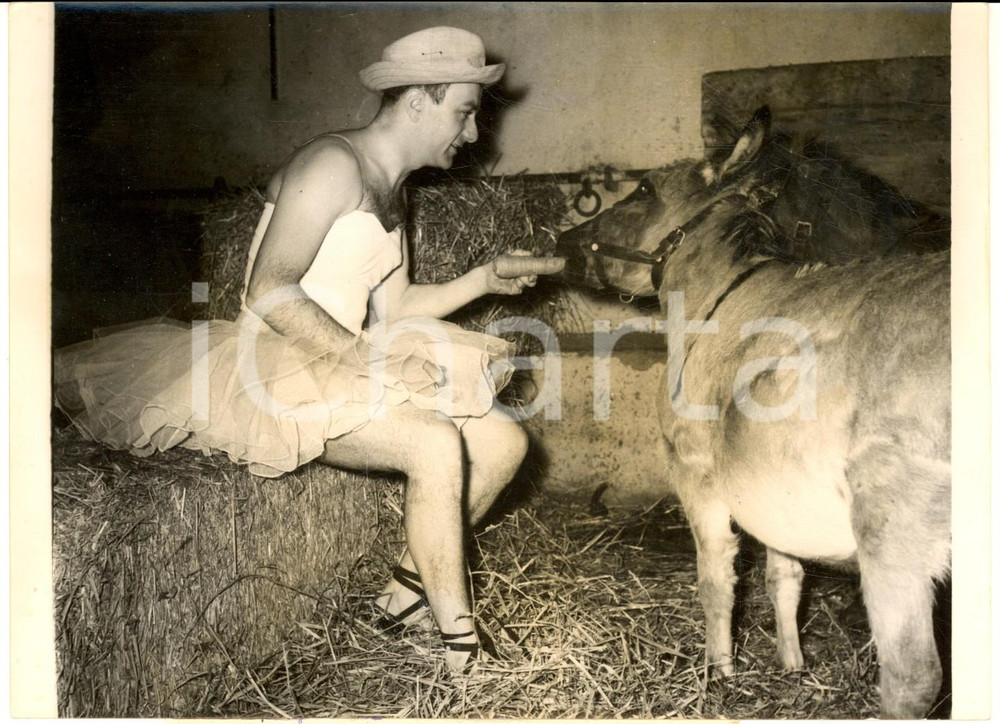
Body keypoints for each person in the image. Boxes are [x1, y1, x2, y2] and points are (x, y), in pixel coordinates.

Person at [54, 26, 564, 674]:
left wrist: (485, 278)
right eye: (464, 113)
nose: (470, 136)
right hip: (273, 364)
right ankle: (463, 651)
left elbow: (395, 307)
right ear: (418, 102)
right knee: (433, 442)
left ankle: (404, 595)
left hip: (341, 356)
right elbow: (268, 289)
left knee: (506, 444)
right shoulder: (332, 165)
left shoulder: (391, 187)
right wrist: (368, 360)